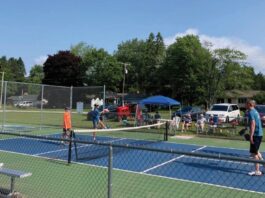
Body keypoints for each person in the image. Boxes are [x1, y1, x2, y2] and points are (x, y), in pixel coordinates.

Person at [246, 100, 264, 176]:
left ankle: (257, 171)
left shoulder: (251, 112)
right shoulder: (255, 111)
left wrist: (251, 136)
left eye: (246, 104)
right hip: (259, 134)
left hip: (256, 135)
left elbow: (253, 124)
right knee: (256, 151)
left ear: (249, 104)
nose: (245, 105)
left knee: (254, 154)